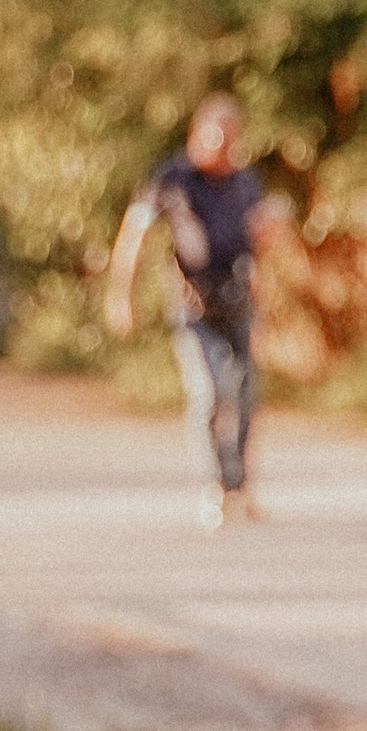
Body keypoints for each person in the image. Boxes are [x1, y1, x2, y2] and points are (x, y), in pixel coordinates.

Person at [105, 95, 284, 523]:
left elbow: (259, 242)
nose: (222, 145)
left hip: (239, 298)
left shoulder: (245, 182)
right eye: (214, 136)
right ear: (196, 134)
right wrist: (120, 295)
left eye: (229, 137)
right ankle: (214, 487)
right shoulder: (173, 178)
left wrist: (271, 240)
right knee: (209, 391)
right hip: (194, 302)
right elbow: (136, 233)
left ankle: (239, 485)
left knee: (244, 394)